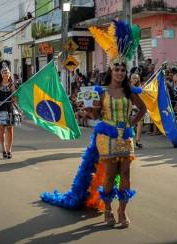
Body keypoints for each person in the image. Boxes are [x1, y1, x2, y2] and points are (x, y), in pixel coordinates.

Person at [41, 20, 147, 228]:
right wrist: (89, 110)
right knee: (109, 173)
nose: (119, 72)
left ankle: (122, 211)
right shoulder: (101, 91)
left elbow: (143, 109)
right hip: (105, 134)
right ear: (111, 69)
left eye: (122, 69)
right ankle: (107, 209)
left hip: (125, 135)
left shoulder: (130, 92)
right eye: (116, 68)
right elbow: (97, 112)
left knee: (124, 174)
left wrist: (132, 124)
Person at [0, 60, 22, 159]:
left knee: (10, 130)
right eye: (4, 72)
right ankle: (3, 148)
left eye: (7, 72)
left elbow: (15, 99)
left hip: (9, 108)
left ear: (9, 74)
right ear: (1, 74)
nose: (6, 74)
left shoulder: (12, 85)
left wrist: (16, 98)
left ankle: (9, 150)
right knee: (1, 130)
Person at [130, 73, 144, 148]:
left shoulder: (139, 86)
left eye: (137, 78)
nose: (136, 79)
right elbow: (138, 91)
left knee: (140, 123)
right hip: (129, 107)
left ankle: (138, 141)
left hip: (137, 107)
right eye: (134, 78)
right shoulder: (129, 86)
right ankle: (130, 140)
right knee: (130, 123)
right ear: (131, 79)